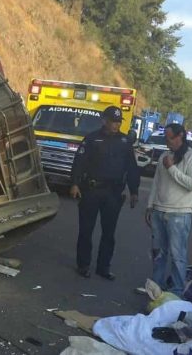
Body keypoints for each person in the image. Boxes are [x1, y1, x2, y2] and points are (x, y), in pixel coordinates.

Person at [70, 106, 140, 279]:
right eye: (113, 121)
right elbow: (79, 162)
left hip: (113, 193)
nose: (116, 125)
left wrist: (134, 191)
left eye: (118, 122)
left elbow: (131, 168)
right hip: (92, 190)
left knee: (109, 234)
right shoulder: (92, 139)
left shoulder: (125, 142)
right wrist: (75, 184)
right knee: (86, 230)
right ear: (104, 120)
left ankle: (104, 267)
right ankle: (83, 265)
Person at [145, 123, 192, 296]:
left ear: (181, 136)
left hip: (179, 213)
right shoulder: (165, 155)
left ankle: (177, 290)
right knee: (158, 252)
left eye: (170, 138)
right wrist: (150, 206)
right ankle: (156, 286)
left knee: (177, 255)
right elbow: (156, 182)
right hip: (158, 211)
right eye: (166, 138)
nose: (167, 141)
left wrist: (171, 168)